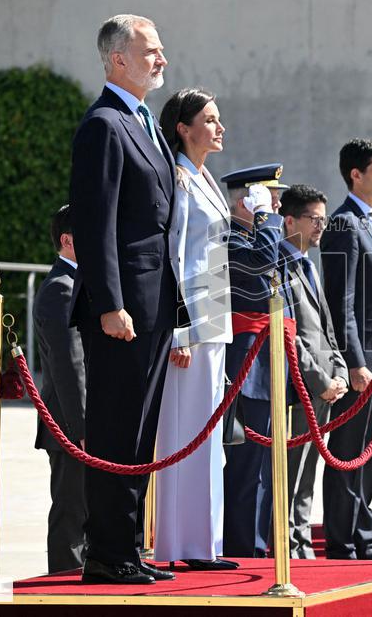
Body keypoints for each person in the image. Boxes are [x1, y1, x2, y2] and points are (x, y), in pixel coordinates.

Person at [69, 14, 177, 584]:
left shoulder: (144, 122)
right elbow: (96, 222)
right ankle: (106, 555)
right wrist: (110, 302)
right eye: (151, 51)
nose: (161, 59)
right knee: (115, 430)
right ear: (118, 59)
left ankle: (127, 550)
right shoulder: (105, 125)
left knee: (140, 433)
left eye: (160, 50)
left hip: (154, 303)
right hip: (123, 310)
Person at [154, 87, 237, 570]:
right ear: (184, 128)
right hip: (192, 329)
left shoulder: (205, 178)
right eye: (209, 119)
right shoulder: (179, 180)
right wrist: (180, 331)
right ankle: (177, 546)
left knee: (207, 442)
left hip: (214, 321)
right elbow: (177, 257)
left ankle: (204, 544)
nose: (219, 127)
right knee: (184, 438)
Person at [320, 138, 372, 561]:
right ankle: (343, 539)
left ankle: (364, 537)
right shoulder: (343, 224)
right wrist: (354, 361)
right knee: (350, 453)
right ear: (356, 174)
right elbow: (342, 300)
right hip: (361, 364)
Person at [221, 164, 290, 558]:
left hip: (270, 362)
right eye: (267, 197)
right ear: (245, 201)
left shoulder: (259, 235)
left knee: (264, 467)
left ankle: (258, 544)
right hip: (247, 366)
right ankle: (242, 544)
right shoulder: (233, 237)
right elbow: (260, 264)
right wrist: (266, 220)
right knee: (247, 467)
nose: (276, 205)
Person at [278, 184, 349, 559]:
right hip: (299, 389)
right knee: (290, 474)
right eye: (314, 219)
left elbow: (326, 330)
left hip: (324, 387)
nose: (321, 226)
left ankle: (302, 544)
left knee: (309, 476)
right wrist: (320, 382)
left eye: (324, 218)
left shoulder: (309, 263)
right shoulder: (279, 264)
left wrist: (337, 371)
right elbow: (290, 335)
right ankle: (288, 546)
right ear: (289, 220)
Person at [33, 204, 88, 573]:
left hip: (79, 422)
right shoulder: (60, 289)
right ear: (67, 241)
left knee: (85, 512)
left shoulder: (78, 283)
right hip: (70, 425)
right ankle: (62, 589)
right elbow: (70, 367)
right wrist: (84, 429)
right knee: (71, 515)